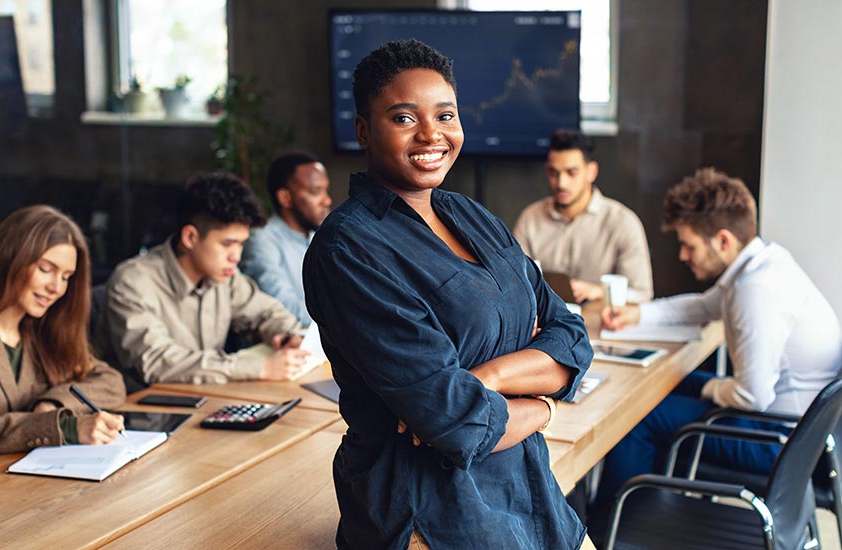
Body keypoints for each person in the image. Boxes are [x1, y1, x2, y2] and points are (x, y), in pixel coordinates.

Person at [303, 39, 594, 549]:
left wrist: (491, 376)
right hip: (429, 515)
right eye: (403, 118)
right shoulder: (348, 248)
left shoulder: (473, 216)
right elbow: (455, 423)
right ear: (364, 132)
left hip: (529, 491)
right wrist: (545, 407)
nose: (431, 134)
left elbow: (570, 335)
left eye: (445, 115)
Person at [590, 168, 842, 529]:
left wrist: (708, 388)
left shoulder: (755, 290)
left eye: (689, 245)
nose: (682, 255)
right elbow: (701, 307)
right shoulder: (762, 262)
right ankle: (645, 511)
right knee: (677, 383)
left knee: (638, 420)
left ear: (723, 240)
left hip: (776, 439)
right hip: (800, 430)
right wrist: (637, 314)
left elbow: (752, 395)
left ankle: (612, 529)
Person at [0, 205, 127, 463]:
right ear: (9, 258)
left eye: (66, 277)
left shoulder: (41, 328)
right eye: (46, 269)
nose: (56, 288)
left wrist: (52, 404)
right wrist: (65, 427)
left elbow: (111, 382)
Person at [96, 172, 308, 387]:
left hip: (207, 399)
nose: (236, 256)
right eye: (227, 244)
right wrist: (259, 367)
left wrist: (286, 334)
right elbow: (157, 362)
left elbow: (267, 312)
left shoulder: (225, 276)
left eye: (241, 244)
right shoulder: (132, 282)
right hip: (143, 412)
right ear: (190, 237)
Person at [513, 129, 653, 303]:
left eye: (572, 173)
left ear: (591, 172)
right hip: (545, 323)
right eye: (553, 173)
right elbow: (515, 283)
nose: (561, 183)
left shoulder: (623, 222)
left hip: (601, 325)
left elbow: (642, 293)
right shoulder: (530, 219)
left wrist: (600, 291)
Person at [240, 152, 332, 326]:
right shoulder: (262, 240)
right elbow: (282, 307)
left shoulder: (320, 237)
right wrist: (343, 321)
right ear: (285, 198)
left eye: (326, 190)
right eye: (315, 191)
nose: (326, 200)